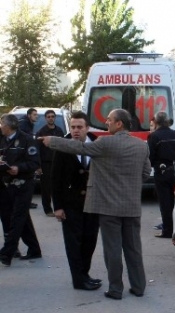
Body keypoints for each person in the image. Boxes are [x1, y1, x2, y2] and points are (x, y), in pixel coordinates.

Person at [40, 109, 150, 300]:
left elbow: (80, 149)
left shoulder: (104, 143)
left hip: (108, 207)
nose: (106, 123)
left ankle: (116, 289)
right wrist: (131, 187)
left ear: (119, 124)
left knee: (112, 250)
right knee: (134, 249)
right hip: (132, 207)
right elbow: (146, 172)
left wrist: (52, 141)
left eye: (109, 120)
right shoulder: (141, 146)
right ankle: (139, 286)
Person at [51, 111, 101, 290]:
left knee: (90, 240)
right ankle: (78, 281)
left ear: (87, 128)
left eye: (80, 127)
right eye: (73, 127)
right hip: (71, 203)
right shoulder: (63, 146)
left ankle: (85, 274)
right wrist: (57, 206)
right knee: (74, 243)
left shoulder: (97, 144)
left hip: (93, 203)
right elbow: (55, 179)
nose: (76, 130)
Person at [0, 114, 42, 266]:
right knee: (18, 217)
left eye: (1, 123)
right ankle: (34, 249)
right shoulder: (2, 139)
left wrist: (19, 168)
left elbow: (34, 163)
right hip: (5, 184)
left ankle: (7, 253)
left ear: (9, 126)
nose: (0, 126)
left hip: (23, 184)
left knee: (17, 218)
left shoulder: (26, 140)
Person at [147, 112, 175, 238]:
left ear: (156, 122)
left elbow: (150, 156)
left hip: (161, 172)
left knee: (164, 202)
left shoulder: (154, 136)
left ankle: (167, 230)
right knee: (174, 201)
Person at [35, 110, 64, 217]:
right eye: (48, 117)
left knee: (59, 186)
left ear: (55, 118)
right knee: (46, 188)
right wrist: (38, 165)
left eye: (52, 116)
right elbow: (37, 150)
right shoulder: (41, 132)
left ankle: (60, 207)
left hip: (58, 162)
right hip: (46, 164)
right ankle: (47, 209)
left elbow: (63, 146)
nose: (51, 118)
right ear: (45, 118)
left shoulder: (59, 131)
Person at [18, 108, 39, 210]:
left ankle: (27, 201)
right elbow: (25, 138)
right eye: (34, 114)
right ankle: (25, 202)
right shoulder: (23, 124)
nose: (36, 116)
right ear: (29, 115)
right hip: (23, 156)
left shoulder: (27, 123)